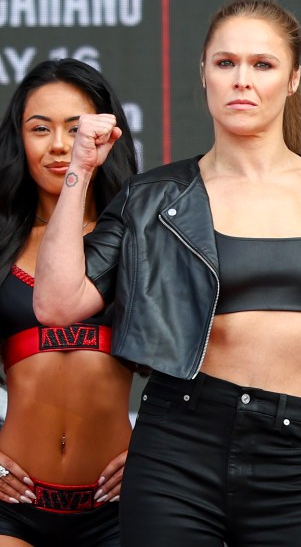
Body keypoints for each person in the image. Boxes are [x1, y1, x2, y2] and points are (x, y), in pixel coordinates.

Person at [32, 0, 301, 546]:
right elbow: (56, 304)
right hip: (176, 449)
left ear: (293, 79)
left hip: (291, 459)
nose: (242, 79)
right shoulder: (153, 197)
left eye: (262, 64)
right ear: (204, 73)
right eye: (226, 63)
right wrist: (79, 169)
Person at [0, 59, 137, 546]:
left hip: (118, 511)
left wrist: (155, 452)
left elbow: (199, 364)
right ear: (19, 140)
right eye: (40, 129)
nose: (60, 145)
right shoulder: (3, 242)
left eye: (76, 129)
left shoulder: (138, 238)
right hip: (11, 509)